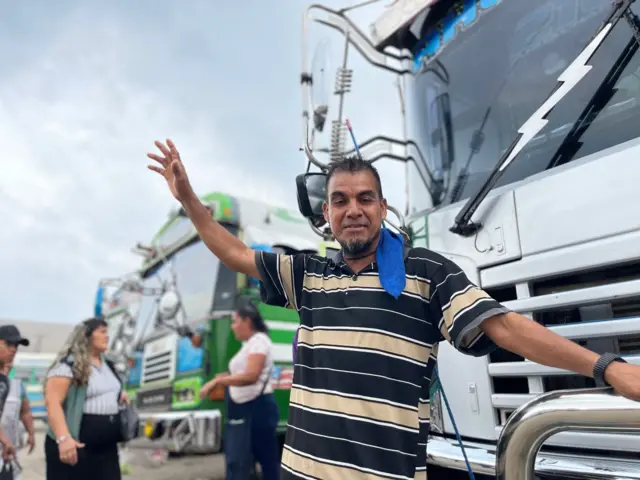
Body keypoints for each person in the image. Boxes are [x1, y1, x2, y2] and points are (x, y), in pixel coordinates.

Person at [147, 139, 640, 480]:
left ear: (382, 208)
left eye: (365, 198)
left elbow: (506, 327)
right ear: (327, 215)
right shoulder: (309, 275)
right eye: (340, 201)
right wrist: (190, 199)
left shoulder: (426, 272)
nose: (353, 209)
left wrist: (606, 366)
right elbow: (233, 252)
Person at [200, 300, 280, 480]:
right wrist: (221, 377)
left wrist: (217, 383)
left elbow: (251, 376)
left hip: (257, 410)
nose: (232, 327)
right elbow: (240, 373)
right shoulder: (249, 344)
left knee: (266, 462)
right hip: (243, 409)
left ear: (248, 321)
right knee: (239, 461)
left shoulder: (259, 341)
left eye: (235, 321)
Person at [44, 317, 129, 480]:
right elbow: (53, 403)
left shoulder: (109, 366)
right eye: (102, 332)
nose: (107, 336)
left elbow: (107, 389)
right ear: (87, 336)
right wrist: (64, 438)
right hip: (77, 446)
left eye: (108, 332)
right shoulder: (67, 366)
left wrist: (119, 395)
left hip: (107, 449)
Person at [0, 359, 36, 480]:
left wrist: (31, 433)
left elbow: (25, 411)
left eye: (10, 362)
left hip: (9, 446)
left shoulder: (17, 385)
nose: (7, 365)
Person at [0, 326, 30, 467]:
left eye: (16, 345)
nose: (14, 349)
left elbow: (25, 410)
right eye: (9, 344)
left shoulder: (5, 381)